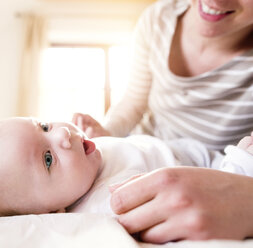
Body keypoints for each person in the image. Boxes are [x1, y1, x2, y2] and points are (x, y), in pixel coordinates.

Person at [72, 0, 253, 242]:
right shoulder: (157, 19)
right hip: (145, 146)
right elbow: (133, 101)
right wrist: (107, 131)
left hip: (207, 170)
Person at [0, 117, 253, 219]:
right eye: (47, 159)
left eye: (43, 125)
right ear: (52, 213)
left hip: (194, 153)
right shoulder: (110, 201)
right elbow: (189, 206)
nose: (61, 135)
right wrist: (237, 168)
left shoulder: (83, 166)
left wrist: (104, 133)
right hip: (220, 174)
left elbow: (126, 152)